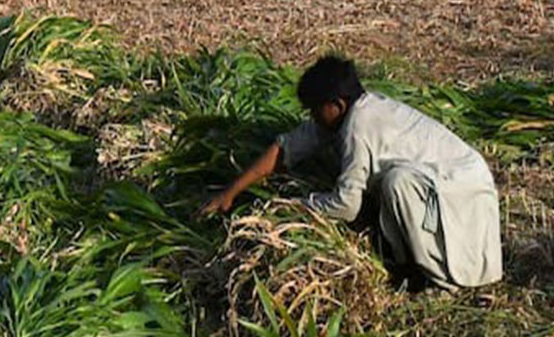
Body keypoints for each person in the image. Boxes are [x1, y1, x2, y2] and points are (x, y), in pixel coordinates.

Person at [201, 54, 501, 290]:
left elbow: (346, 205)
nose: (312, 117)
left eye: (315, 109)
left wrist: (296, 207)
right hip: (448, 182)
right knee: (392, 183)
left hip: (463, 189)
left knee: (397, 184)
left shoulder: (359, 125)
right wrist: (230, 193)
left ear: (336, 104)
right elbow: (286, 148)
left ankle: (431, 278)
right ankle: (406, 259)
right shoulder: (345, 114)